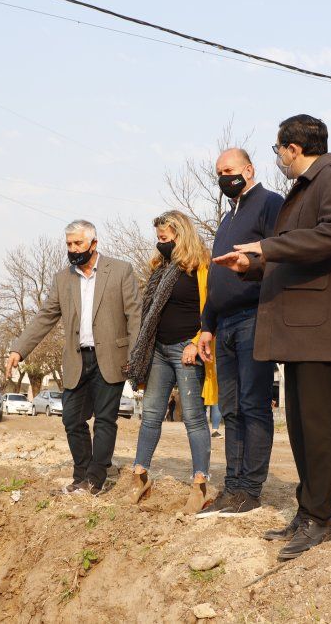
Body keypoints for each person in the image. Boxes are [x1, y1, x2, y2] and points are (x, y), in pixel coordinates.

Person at [214, 115, 331, 559]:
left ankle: (321, 518)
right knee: (302, 430)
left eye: (278, 150)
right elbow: (296, 252)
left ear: (293, 148)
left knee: (319, 429)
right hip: (301, 331)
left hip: (324, 329)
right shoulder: (304, 189)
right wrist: (253, 265)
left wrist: (267, 247)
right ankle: (307, 512)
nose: (279, 158)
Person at [6, 220, 140, 495]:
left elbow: (134, 316)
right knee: (71, 419)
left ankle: (94, 480)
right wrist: (19, 349)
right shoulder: (62, 278)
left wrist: (135, 357)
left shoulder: (120, 270)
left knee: (104, 420)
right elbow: (45, 317)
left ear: (94, 243)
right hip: (77, 360)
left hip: (111, 357)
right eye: (69, 244)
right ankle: (82, 474)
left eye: (78, 243)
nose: (73, 248)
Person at [196, 148, 283, 519]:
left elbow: (281, 254)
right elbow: (216, 278)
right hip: (225, 323)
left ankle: (250, 489)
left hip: (255, 316)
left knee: (252, 405)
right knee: (229, 408)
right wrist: (207, 325)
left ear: (248, 170)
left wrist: (254, 262)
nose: (223, 177)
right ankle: (232, 487)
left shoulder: (270, 204)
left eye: (228, 170)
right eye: (218, 172)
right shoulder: (226, 219)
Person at [124, 210, 218, 514]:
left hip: (186, 350)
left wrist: (196, 342)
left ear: (181, 234)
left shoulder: (202, 266)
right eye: (158, 239)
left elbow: (213, 309)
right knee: (151, 415)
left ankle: (200, 485)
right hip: (159, 351)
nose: (160, 243)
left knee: (193, 418)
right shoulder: (161, 268)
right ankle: (140, 477)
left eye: (164, 238)